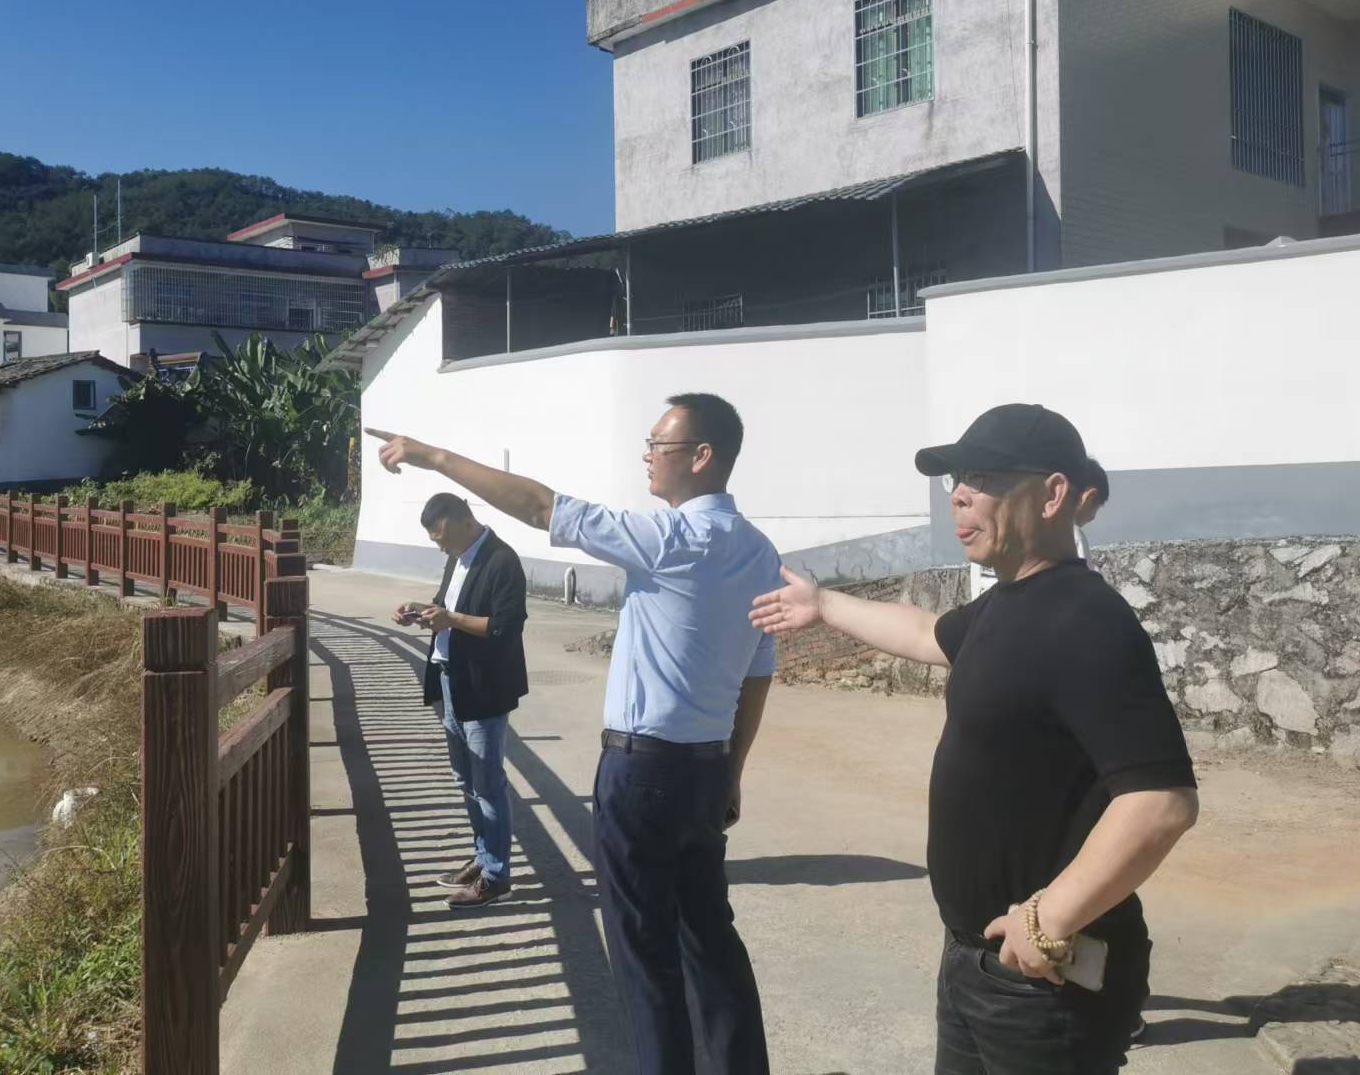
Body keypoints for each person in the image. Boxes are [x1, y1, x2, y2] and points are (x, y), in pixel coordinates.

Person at [751, 403, 1198, 1074]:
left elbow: (1161, 801)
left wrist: (1048, 919)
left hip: (1043, 982)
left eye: (983, 477)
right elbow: (925, 633)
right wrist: (826, 605)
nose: (959, 494)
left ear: (1052, 494)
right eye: (956, 479)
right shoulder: (1006, 602)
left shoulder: (1087, 620)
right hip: (976, 961)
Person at [367, 392, 777, 1075]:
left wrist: (433, 455)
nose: (648, 456)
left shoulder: (670, 538)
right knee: (711, 943)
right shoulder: (760, 552)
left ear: (702, 456)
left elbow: (540, 506)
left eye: (659, 445)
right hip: (707, 770)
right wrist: (732, 769)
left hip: (642, 771)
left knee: (645, 957)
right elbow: (760, 671)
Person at [393, 492, 529, 909]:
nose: (440, 547)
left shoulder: (503, 561)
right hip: (451, 682)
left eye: (442, 538)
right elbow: (447, 605)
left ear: (465, 521)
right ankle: (484, 857)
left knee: (487, 783)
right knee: (466, 780)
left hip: (484, 687)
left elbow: (506, 627)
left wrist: (450, 619)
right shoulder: (458, 556)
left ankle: (496, 877)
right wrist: (422, 610)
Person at [1075, 456, 1109, 567]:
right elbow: (1083, 575)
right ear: (1089, 498)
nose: (1093, 518)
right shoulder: (1074, 538)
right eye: (1096, 509)